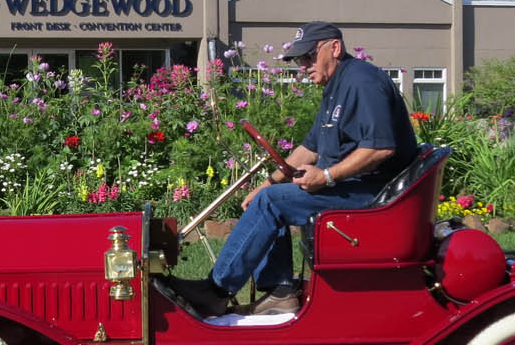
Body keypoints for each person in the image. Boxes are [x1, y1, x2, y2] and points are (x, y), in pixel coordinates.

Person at [173, 21, 418, 318]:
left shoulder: (362, 82)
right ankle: (279, 292)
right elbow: (310, 149)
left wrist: (327, 176)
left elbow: (380, 148)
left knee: (271, 202)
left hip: (374, 196)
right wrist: (269, 181)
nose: (303, 66)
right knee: (269, 196)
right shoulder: (335, 86)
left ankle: (215, 293)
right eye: (300, 60)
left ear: (335, 48)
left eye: (308, 57)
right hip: (354, 188)